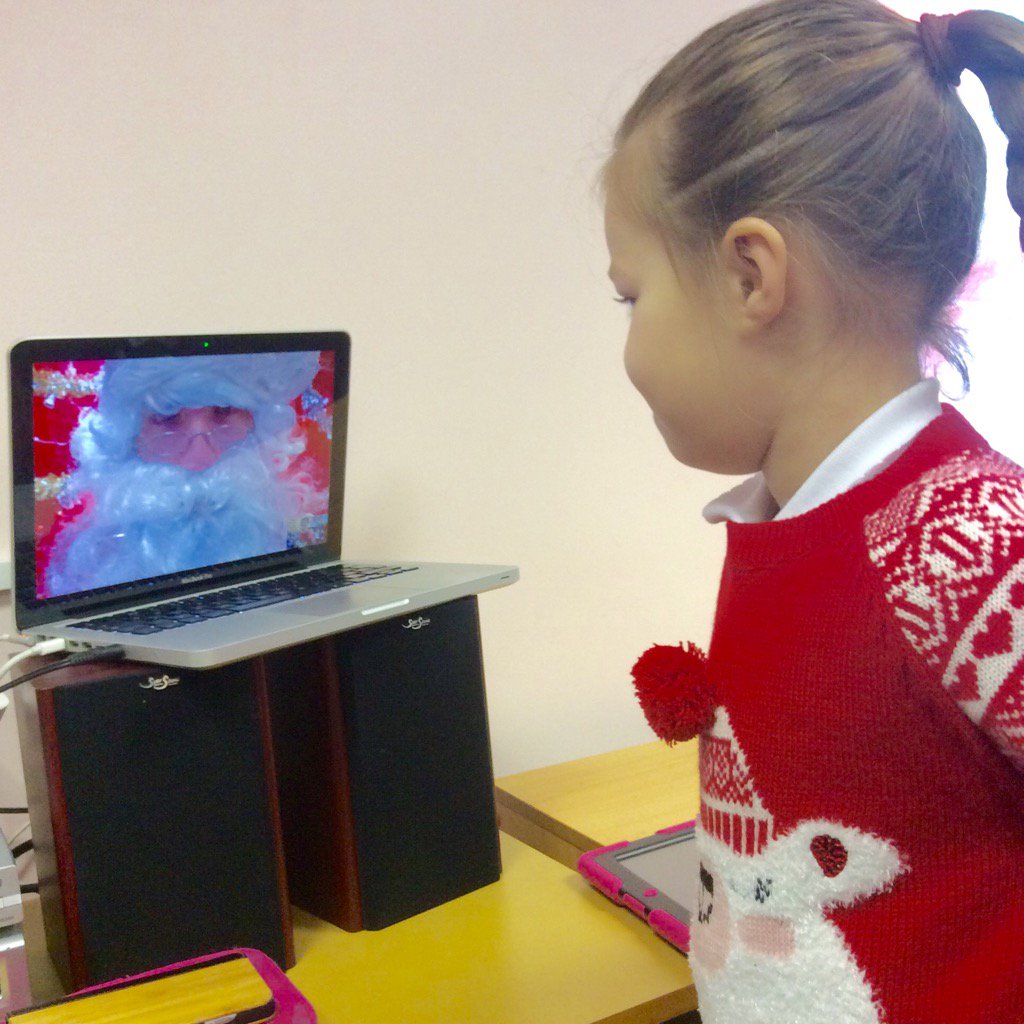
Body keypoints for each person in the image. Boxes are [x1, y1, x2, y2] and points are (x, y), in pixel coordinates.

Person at [604, 2, 1024, 1021]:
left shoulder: (961, 542)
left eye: (630, 295)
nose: (627, 347)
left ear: (750, 274)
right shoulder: (795, 513)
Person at [43, 350, 327, 597]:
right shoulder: (92, 566)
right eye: (168, 419)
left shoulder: (292, 553)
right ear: (129, 438)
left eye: (223, 412)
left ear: (257, 426)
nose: (201, 458)